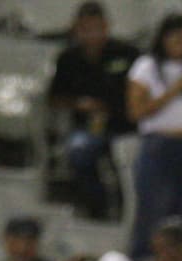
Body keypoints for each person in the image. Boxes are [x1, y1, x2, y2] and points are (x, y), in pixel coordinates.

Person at [124, 12, 182, 261]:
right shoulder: (146, 66)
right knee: (153, 214)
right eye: (178, 39)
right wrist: (175, 90)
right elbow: (136, 111)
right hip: (159, 146)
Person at [49, 3, 135, 218]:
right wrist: (80, 103)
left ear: (106, 27)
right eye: (85, 29)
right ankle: (96, 206)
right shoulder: (68, 59)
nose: (91, 34)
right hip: (88, 127)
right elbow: (55, 98)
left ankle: (127, 208)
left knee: (128, 156)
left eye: (97, 28)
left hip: (125, 125)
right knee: (79, 151)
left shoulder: (127, 54)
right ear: (76, 29)